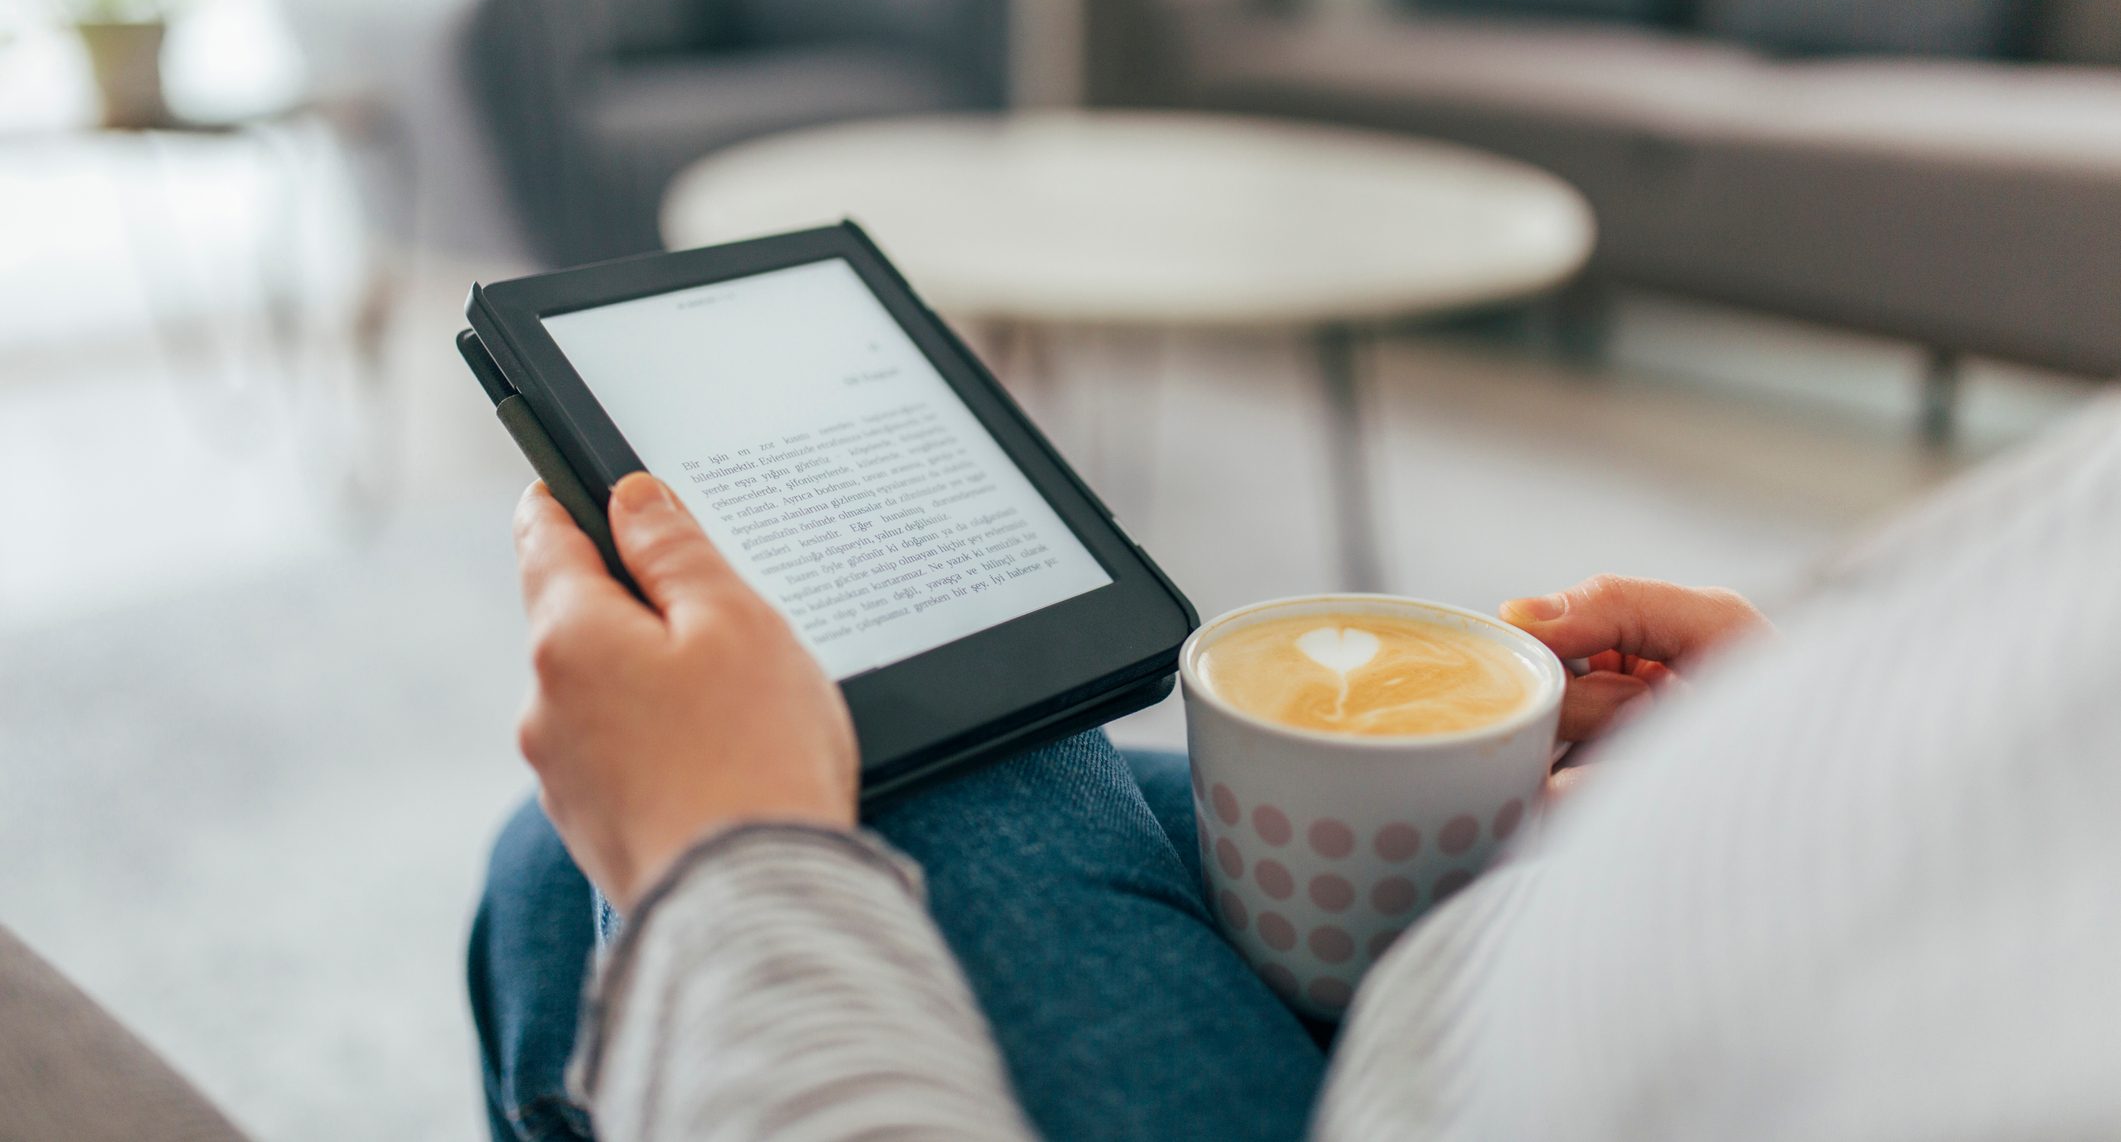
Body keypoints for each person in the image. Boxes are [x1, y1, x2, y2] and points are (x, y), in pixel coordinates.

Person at [470, 400, 2121, 1141]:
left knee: (701, 811)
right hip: (1524, 962)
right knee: (567, 861)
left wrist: (733, 866)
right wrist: (1810, 757)